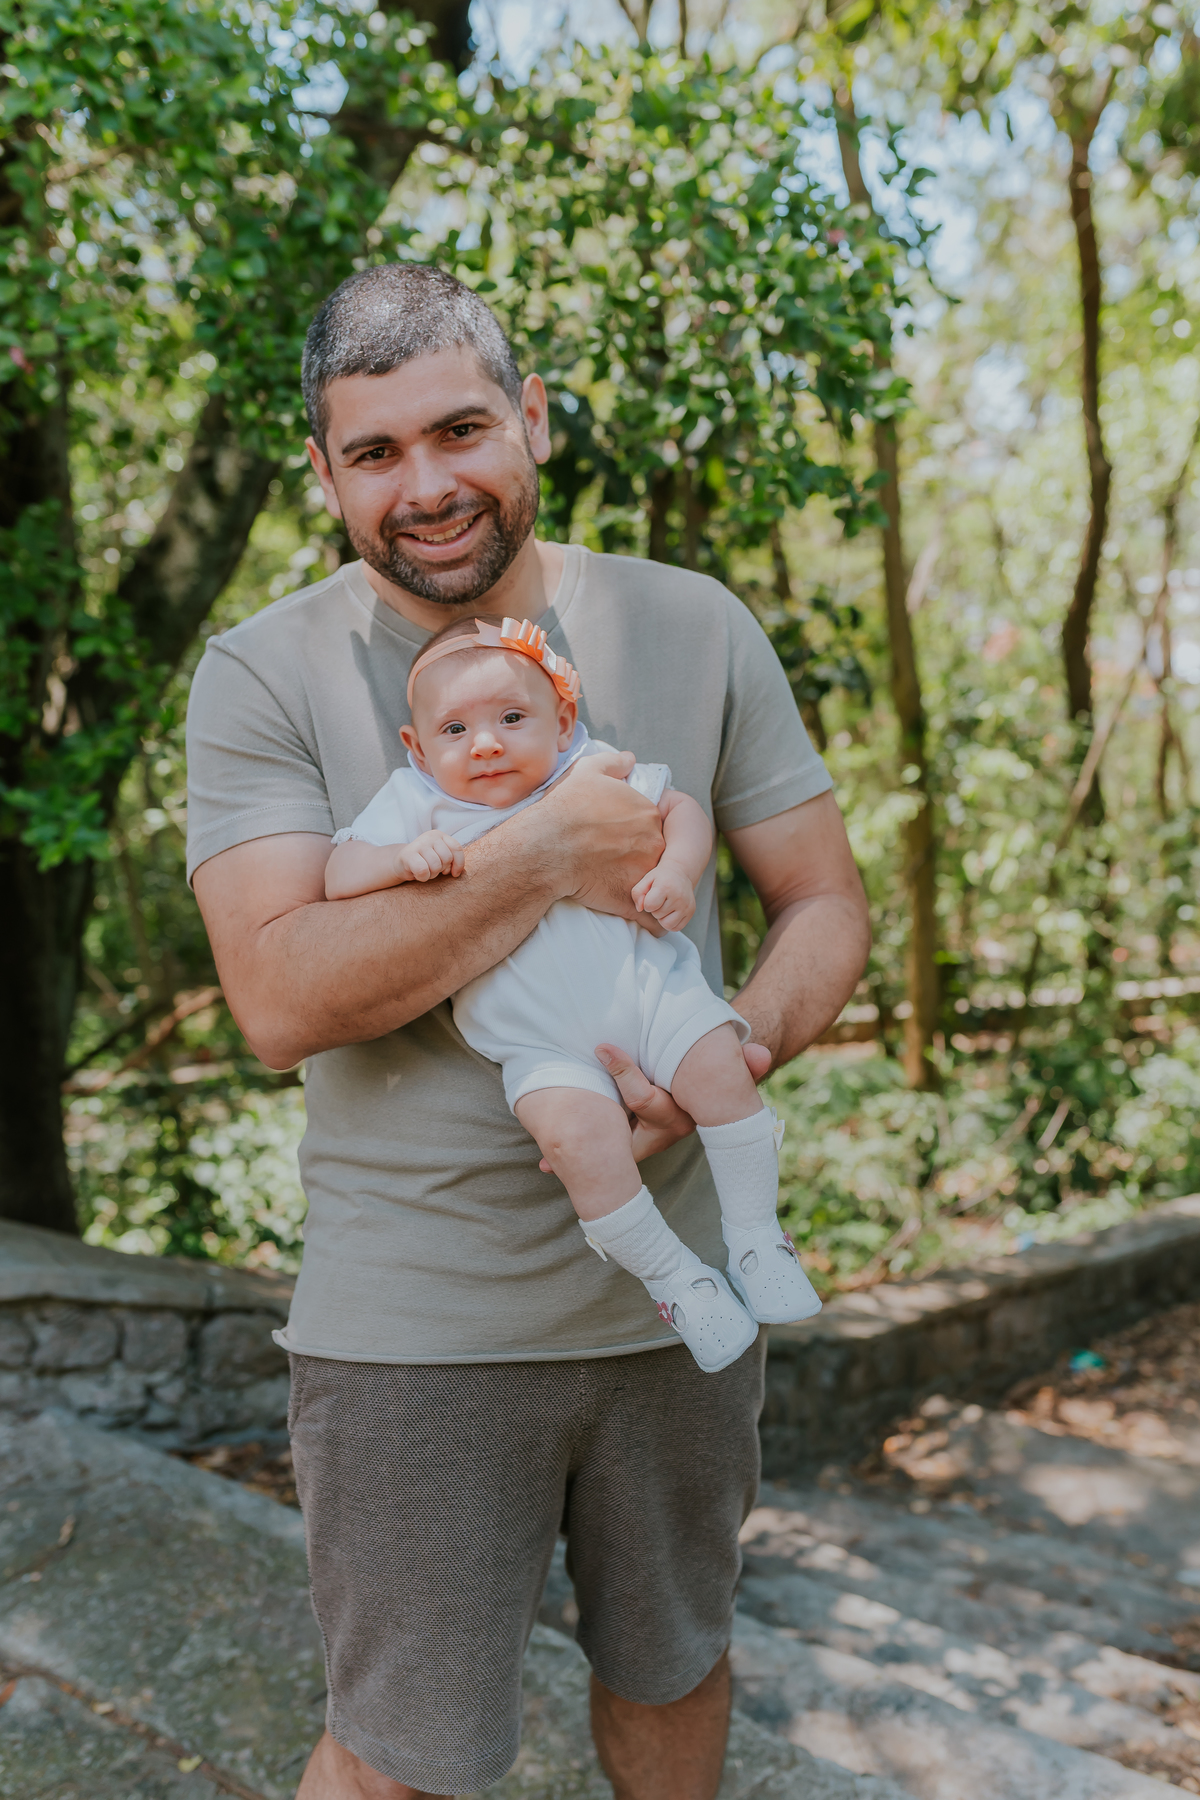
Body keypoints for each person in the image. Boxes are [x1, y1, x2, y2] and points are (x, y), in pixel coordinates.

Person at [186, 262, 870, 1800]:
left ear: (535, 419)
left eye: (460, 431)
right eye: (373, 454)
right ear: (323, 470)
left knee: (678, 1673)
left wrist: (734, 1052)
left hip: (678, 1322)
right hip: (415, 1337)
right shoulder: (263, 676)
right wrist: (546, 853)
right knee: (402, 1761)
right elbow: (279, 999)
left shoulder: (687, 624)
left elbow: (823, 901)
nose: (424, 488)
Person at [323, 609, 823, 1373]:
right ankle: (678, 1281)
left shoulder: (588, 770)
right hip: (538, 1044)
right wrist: (399, 859)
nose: (484, 743)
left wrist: (678, 872)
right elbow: (339, 874)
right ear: (417, 749)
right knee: (577, 1146)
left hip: (653, 993)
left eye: (511, 718)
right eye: (453, 731)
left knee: (723, 1070)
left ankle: (757, 1238)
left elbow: (679, 808)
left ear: (562, 722)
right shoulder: (416, 806)